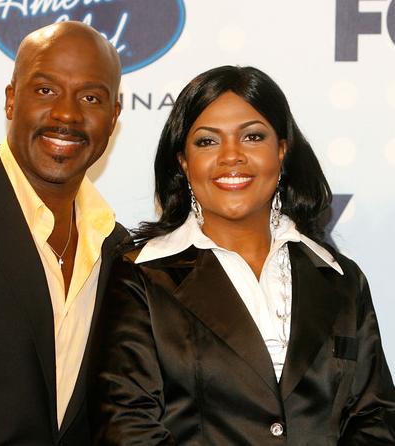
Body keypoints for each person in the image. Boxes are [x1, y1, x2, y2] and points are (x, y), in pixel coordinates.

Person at [88, 65, 395, 445]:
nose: (231, 156)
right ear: (183, 161)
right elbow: (126, 425)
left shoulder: (341, 279)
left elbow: (374, 417)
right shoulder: (142, 277)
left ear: (282, 150)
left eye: (252, 136)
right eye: (207, 141)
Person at [0, 21, 126, 445]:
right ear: (12, 99)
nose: (67, 114)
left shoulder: (117, 247)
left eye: (90, 97)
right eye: (46, 90)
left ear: (114, 116)